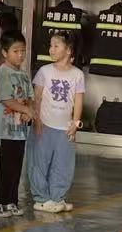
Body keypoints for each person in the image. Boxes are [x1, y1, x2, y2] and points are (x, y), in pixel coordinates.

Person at [30, 31, 84, 213]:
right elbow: (36, 98)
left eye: (56, 46)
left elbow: (78, 100)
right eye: (50, 45)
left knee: (63, 164)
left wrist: (75, 123)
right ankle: (41, 199)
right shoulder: (44, 71)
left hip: (65, 128)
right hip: (44, 124)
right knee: (40, 162)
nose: (51, 49)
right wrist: (37, 120)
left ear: (68, 50)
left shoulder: (77, 74)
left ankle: (57, 197)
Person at [0, 32, 35, 217]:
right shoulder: (2, 72)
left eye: (23, 51)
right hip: (1, 131)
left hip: (18, 132)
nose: (20, 55)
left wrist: (29, 110)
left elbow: (29, 97)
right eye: (16, 51)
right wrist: (27, 111)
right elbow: (5, 99)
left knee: (14, 167)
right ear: (5, 53)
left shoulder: (23, 74)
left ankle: (10, 200)